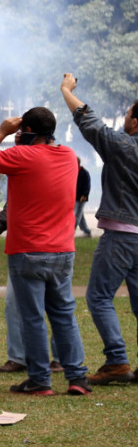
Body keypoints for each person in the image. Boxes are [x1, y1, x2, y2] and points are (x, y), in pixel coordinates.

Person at [0, 106, 89, 395]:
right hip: (63, 250)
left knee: (33, 317)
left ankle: (39, 380)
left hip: (27, 250)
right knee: (64, 313)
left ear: (28, 132)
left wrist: (2, 131)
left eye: (21, 131)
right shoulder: (69, 157)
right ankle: (77, 378)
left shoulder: (21, 156)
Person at [61, 73, 138, 385]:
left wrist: (66, 90)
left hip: (122, 234)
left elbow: (90, 123)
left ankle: (117, 360)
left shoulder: (125, 146)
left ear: (136, 123)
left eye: (129, 114)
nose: (125, 118)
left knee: (98, 296)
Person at [0, 205, 62, 374]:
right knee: (13, 303)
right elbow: (12, 205)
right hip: (23, 248)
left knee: (57, 306)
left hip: (55, 246)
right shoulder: (20, 179)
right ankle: (18, 358)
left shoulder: (62, 179)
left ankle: (61, 359)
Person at [74, 157, 92, 237]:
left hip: (82, 197)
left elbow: (87, 185)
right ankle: (86, 231)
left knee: (76, 214)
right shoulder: (73, 172)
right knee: (80, 215)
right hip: (74, 196)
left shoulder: (84, 172)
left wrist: (85, 195)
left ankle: (71, 230)